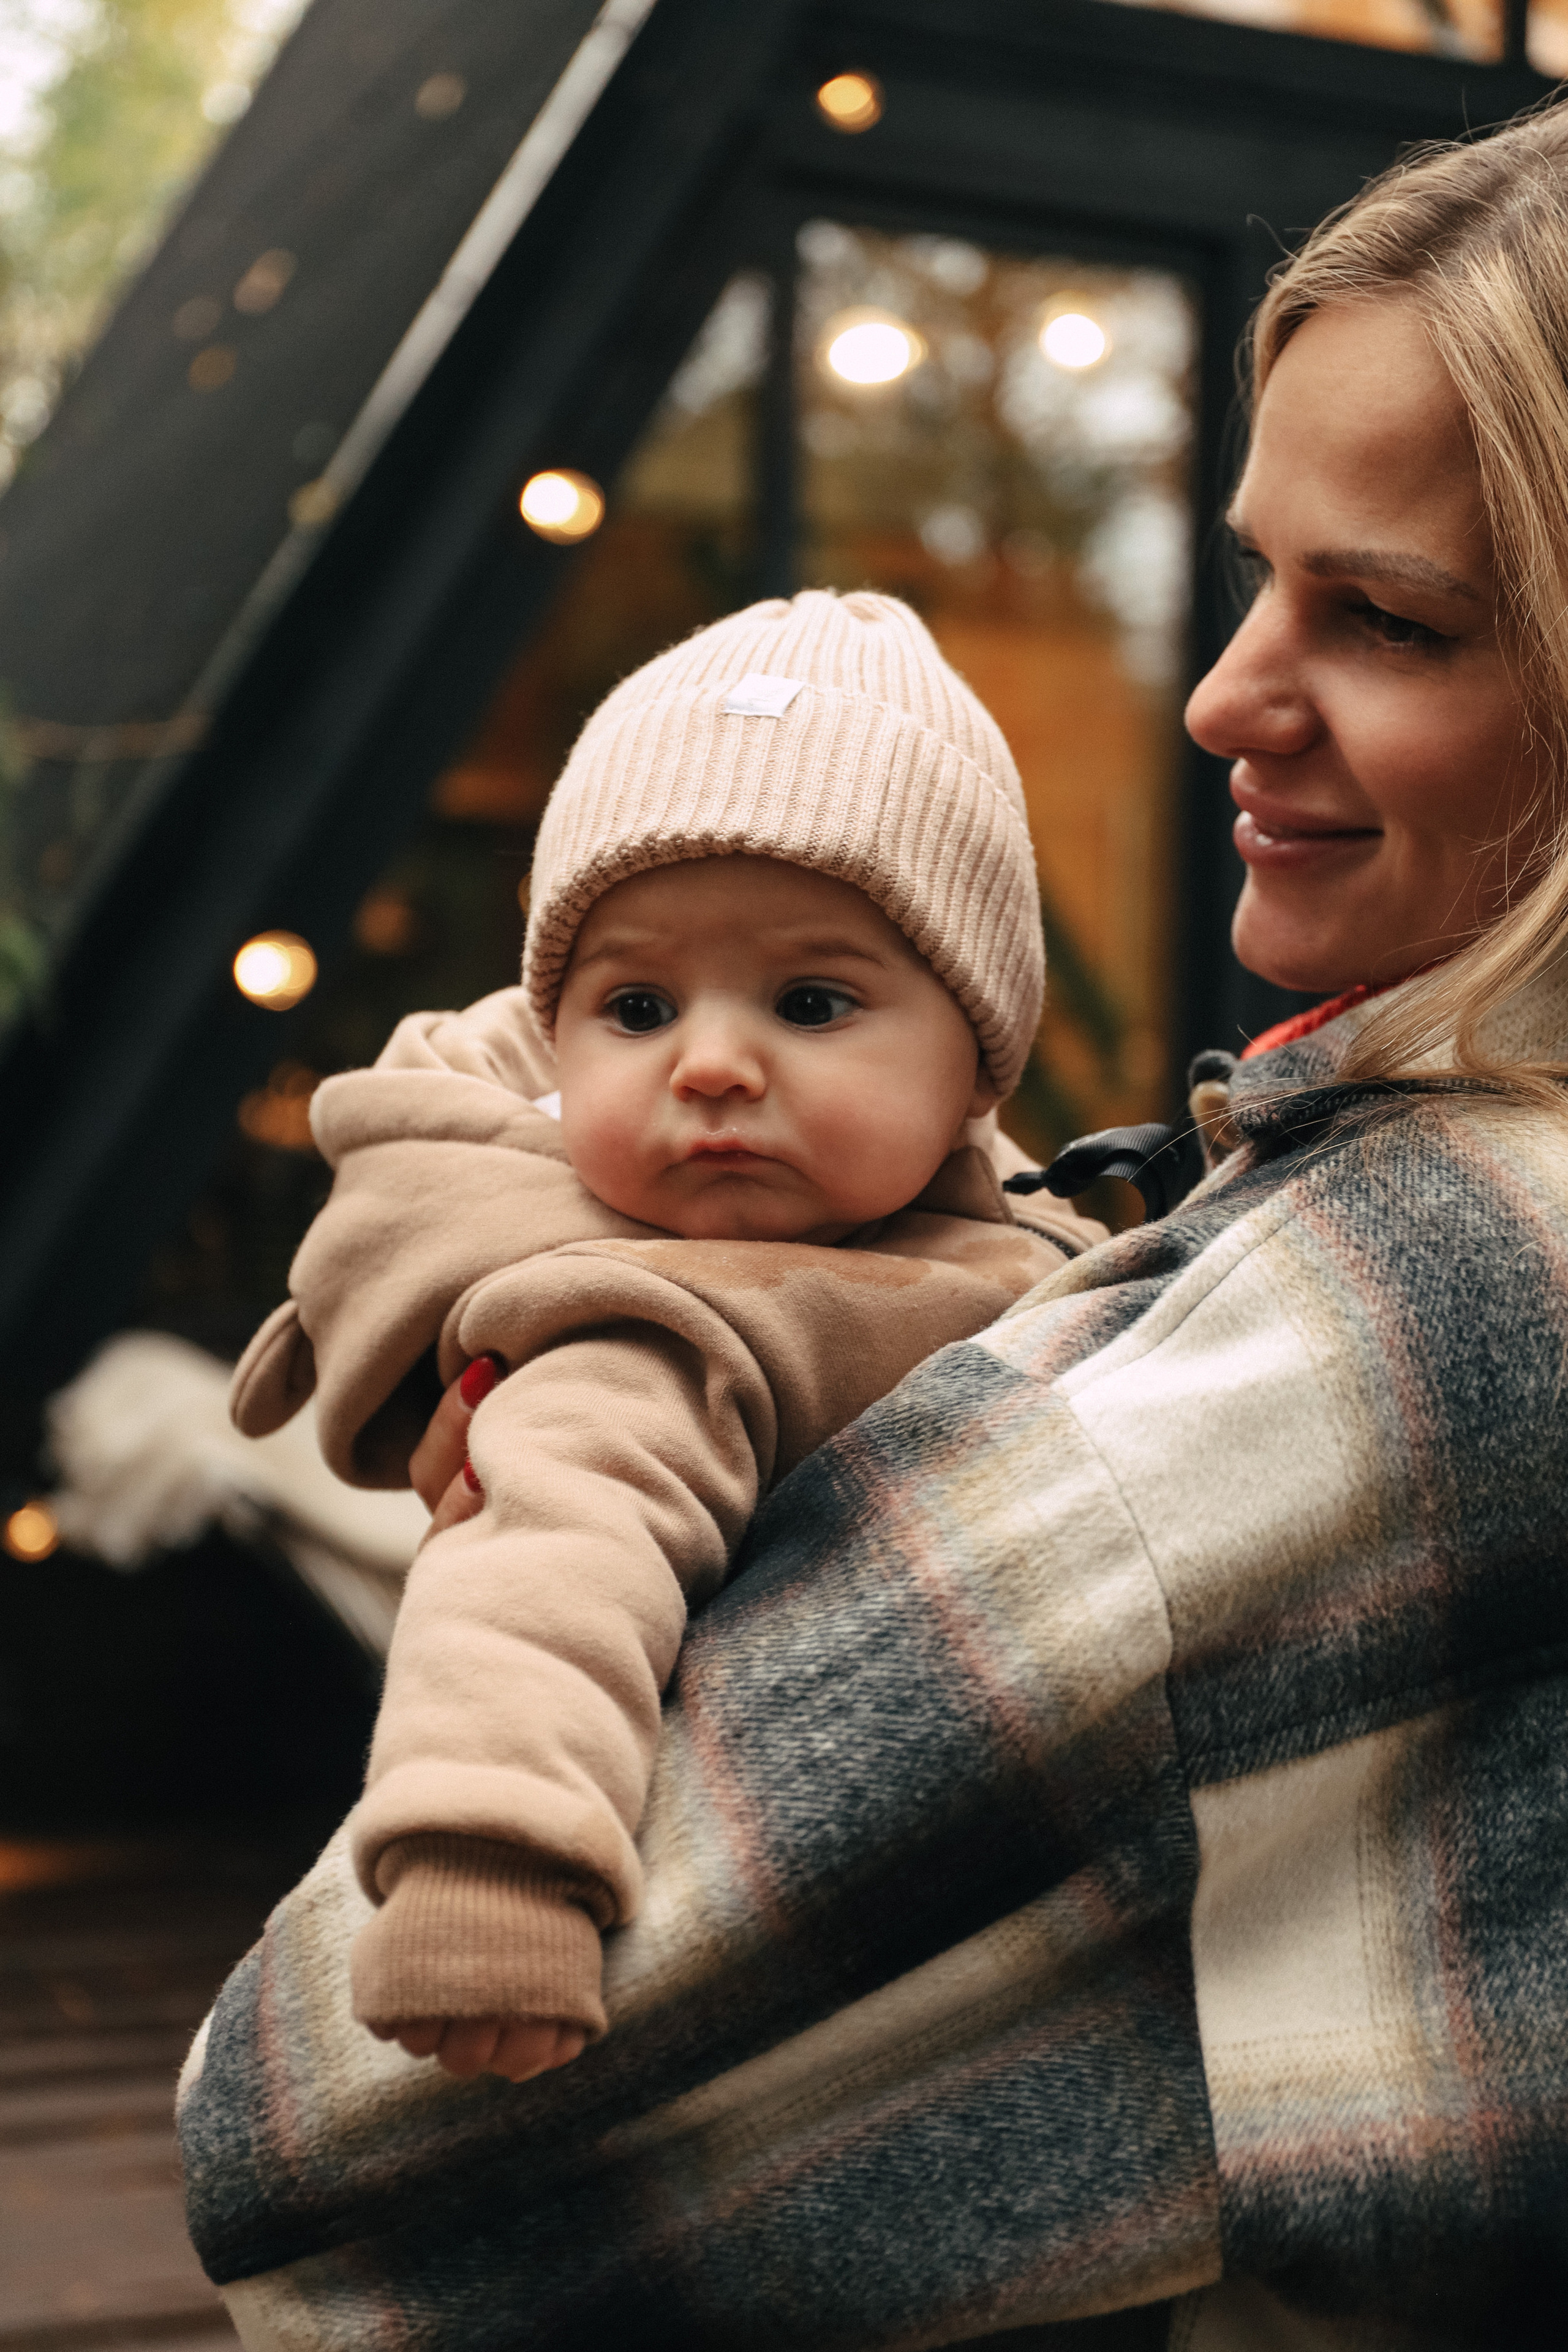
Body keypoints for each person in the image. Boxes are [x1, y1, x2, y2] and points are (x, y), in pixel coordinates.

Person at [183, 100, 1568, 2350]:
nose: (1223, 693)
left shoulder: (1444, 1284)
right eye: (1253, 573)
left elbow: (310, 2108)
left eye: (1386, 616)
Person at [227, 590, 1099, 2086]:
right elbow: (540, 1574)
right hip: (651, 1956)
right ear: (551, 1037)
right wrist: (492, 1870)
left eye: (809, 1000)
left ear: (977, 1061)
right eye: (634, 1005)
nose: (707, 1062)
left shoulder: (1009, 1237)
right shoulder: (644, 1331)